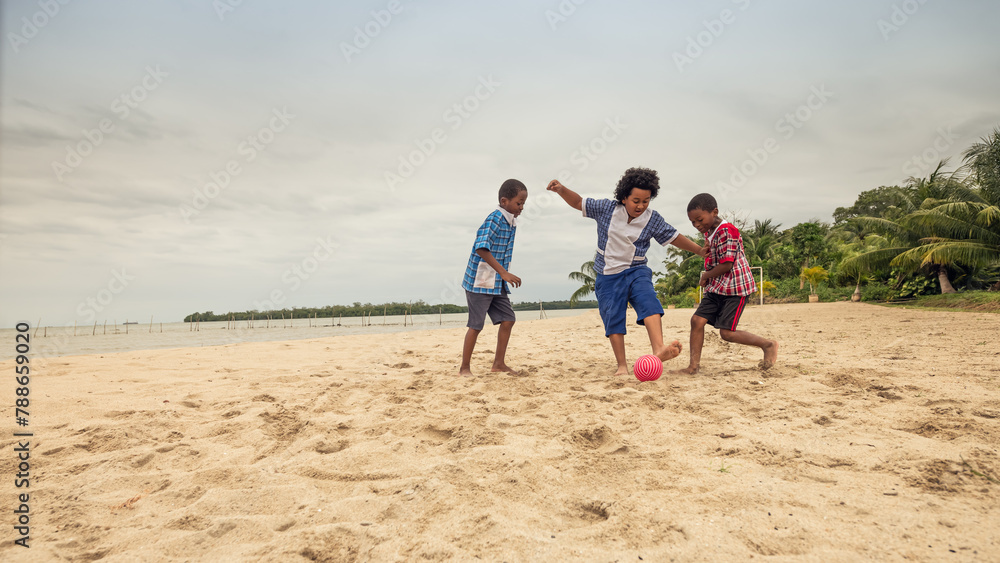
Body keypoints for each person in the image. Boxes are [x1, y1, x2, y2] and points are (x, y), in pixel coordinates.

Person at [547, 167, 705, 376]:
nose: (641, 206)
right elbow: (578, 202)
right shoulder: (606, 209)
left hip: (636, 269)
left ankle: (659, 349)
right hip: (608, 275)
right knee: (613, 318)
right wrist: (561, 189)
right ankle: (622, 365)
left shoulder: (652, 219)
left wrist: (700, 250)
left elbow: (674, 237)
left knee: (649, 300)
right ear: (623, 198)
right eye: (636, 200)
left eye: (646, 201)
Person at [676, 193, 778, 374]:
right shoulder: (710, 231)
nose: (697, 225)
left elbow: (727, 264)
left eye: (699, 220)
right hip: (717, 286)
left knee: (727, 333)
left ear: (714, 212)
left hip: (735, 288)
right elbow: (714, 257)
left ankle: (768, 345)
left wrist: (705, 275)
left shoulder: (727, 231)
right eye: (693, 222)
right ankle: (693, 367)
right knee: (697, 321)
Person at [459, 179, 528, 377]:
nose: (521, 207)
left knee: (508, 319)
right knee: (476, 324)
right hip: (480, 282)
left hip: (496, 283)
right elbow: (481, 247)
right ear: (504, 201)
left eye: (523, 204)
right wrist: (504, 272)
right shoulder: (495, 218)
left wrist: (501, 275)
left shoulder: (511, 221)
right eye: (518, 203)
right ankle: (464, 368)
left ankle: (498, 363)